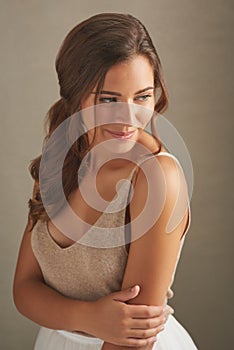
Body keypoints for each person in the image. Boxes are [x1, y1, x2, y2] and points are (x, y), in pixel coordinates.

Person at [13, 13, 198, 350]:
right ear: (75, 95)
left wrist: (76, 317)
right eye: (108, 99)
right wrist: (88, 317)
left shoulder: (157, 179)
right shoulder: (60, 160)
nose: (129, 118)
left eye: (142, 97)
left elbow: (132, 338)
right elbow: (24, 290)